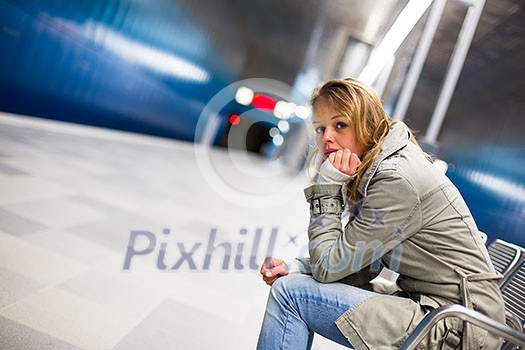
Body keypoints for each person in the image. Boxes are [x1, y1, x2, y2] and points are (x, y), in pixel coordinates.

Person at [256, 78, 505, 349]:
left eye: (340, 125)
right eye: (320, 128)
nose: (326, 137)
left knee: (290, 296)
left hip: (456, 326)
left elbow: (331, 267)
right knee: (291, 285)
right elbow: (358, 268)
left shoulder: (396, 179)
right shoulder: (378, 171)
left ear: (367, 124)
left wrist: (327, 188)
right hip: (434, 309)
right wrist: (297, 268)